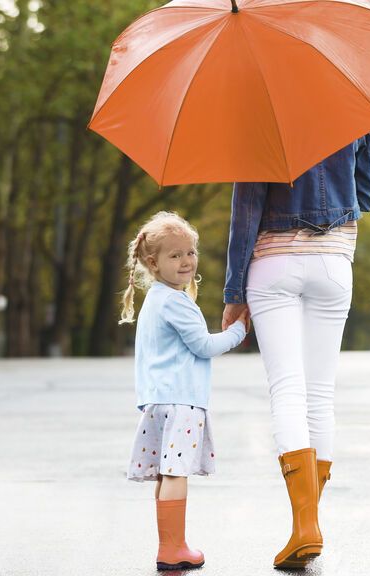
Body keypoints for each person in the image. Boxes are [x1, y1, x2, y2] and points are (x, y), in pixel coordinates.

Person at [222, 133, 370, 568]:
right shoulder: (353, 112)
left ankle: (304, 526)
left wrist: (234, 292)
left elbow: (247, 207)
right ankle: (307, 525)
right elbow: (366, 194)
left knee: (288, 390)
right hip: (334, 263)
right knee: (319, 394)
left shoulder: (259, 119)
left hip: (274, 262)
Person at [120, 211, 249, 570]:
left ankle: (170, 545)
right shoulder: (176, 302)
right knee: (176, 473)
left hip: (158, 401)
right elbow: (204, 346)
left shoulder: (156, 301)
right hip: (181, 402)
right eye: (175, 255)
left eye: (190, 252)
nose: (186, 261)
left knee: (165, 474)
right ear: (153, 262)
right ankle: (173, 548)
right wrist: (239, 330)